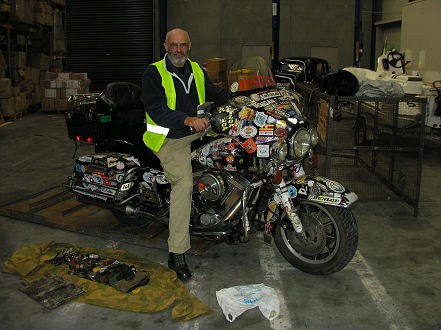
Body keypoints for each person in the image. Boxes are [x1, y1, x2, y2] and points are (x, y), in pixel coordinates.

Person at [142, 28, 228, 281]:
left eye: (183, 45)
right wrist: (188, 119)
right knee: (183, 184)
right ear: (165, 46)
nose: (178, 50)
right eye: (173, 46)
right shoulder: (153, 73)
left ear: (189, 45)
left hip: (197, 132)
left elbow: (214, 93)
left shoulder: (196, 70)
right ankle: (177, 251)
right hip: (169, 139)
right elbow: (157, 110)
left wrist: (242, 99)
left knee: (235, 152)